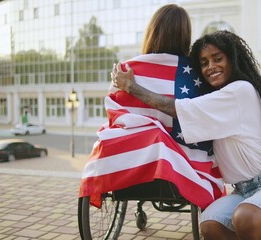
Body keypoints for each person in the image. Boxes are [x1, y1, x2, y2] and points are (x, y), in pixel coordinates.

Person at [112, 30, 261, 240]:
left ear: (232, 59)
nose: (210, 67)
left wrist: (131, 87)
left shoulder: (240, 91)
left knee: (246, 218)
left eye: (218, 59)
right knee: (210, 224)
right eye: (204, 63)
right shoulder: (215, 97)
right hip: (243, 191)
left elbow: (175, 108)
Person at [79, 4, 224, 210]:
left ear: (152, 32)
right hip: (187, 161)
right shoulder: (198, 72)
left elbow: (115, 113)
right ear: (185, 35)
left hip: (136, 155)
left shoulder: (126, 70)